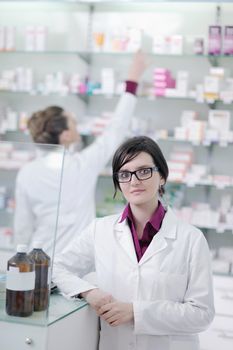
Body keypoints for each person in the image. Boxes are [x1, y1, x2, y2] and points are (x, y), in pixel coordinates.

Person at [53, 135, 215, 350]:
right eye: (124, 174)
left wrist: (135, 313)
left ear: (163, 176)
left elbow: (202, 314)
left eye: (144, 171)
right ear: (118, 182)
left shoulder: (191, 239)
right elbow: (57, 268)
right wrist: (88, 291)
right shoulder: (100, 230)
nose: (134, 181)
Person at [13, 52, 148, 256]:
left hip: (38, 261)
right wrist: (132, 81)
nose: (77, 124)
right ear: (66, 135)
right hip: (74, 264)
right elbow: (116, 129)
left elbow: (22, 228)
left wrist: (20, 262)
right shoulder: (81, 165)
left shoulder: (27, 172)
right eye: (73, 122)